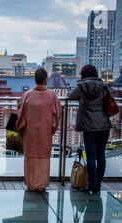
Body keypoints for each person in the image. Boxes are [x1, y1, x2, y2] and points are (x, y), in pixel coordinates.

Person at [14, 68, 62, 191]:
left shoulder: (28, 95)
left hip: (30, 132)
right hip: (45, 131)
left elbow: (20, 112)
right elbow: (58, 115)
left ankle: (31, 184)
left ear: (35, 79)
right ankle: (41, 184)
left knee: (30, 157)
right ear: (46, 80)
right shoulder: (52, 95)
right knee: (43, 158)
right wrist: (52, 129)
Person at [69, 64, 112, 193]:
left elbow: (71, 96)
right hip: (104, 126)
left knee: (91, 157)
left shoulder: (82, 87)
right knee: (101, 156)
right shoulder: (103, 86)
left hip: (89, 127)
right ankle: (98, 184)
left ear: (83, 75)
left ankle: (91, 184)